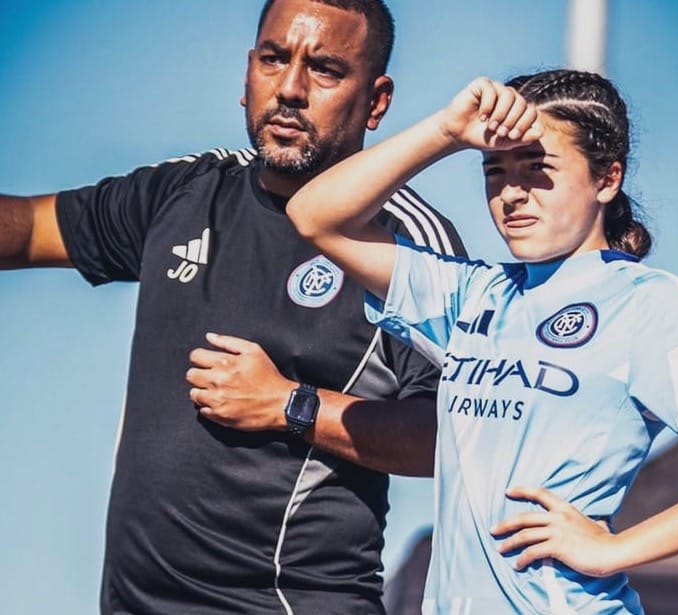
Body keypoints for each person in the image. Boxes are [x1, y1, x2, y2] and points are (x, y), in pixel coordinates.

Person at [285, 68, 678, 613]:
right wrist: (446, 131)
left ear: (607, 179)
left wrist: (615, 550)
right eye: (495, 171)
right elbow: (314, 216)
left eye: (538, 169)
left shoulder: (650, 304)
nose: (511, 194)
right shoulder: (471, 294)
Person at [0, 0, 466, 613]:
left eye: (324, 70)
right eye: (274, 59)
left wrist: (290, 405)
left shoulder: (406, 243)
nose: (290, 89)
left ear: (376, 102)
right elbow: (27, 231)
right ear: (247, 74)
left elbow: (457, 433)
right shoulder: (184, 192)